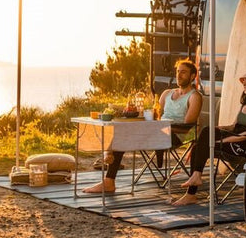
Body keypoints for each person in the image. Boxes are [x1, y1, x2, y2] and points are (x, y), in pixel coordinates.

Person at [84, 59, 202, 194]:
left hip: (176, 135)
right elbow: (157, 115)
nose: (179, 75)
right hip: (158, 131)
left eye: (184, 72)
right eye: (178, 72)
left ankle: (109, 170)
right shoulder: (167, 93)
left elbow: (187, 125)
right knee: (122, 132)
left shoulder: (194, 97)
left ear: (193, 76)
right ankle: (108, 173)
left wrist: (158, 127)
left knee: (124, 137)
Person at [172, 66, 246, 206]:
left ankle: (193, 187)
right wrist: (217, 131)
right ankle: (192, 190)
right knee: (201, 140)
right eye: (243, 81)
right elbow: (233, 126)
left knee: (206, 143)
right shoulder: (245, 103)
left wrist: (223, 140)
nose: (244, 83)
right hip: (235, 138)